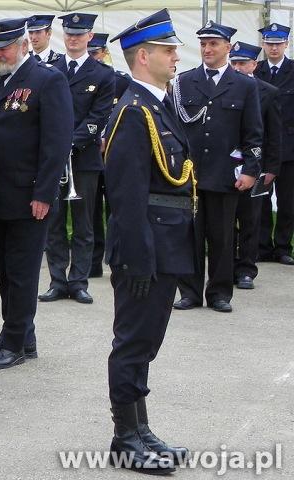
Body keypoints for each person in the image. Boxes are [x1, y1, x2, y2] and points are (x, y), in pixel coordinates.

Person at [105, 9, 194, 473]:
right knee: (133, 343)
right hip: (146, 251)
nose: (176, 56)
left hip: (167, 245)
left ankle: (140, 428)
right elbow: (127, 195)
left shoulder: (157, 104)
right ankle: (124, 437)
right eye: (167, 49)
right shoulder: (133, 111)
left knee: (147, 343)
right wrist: (140, 260)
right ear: (144, 56)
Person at [0, 18, 73, 368]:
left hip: (29, 195)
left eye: (3, 47)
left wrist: (44, 194)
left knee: (22, 273)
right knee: (5, 272)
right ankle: (22, 337)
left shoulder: (47, 79)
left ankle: (13, 343)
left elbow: (57, 142)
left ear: (23, 45)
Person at [172, 20, 262, 313]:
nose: (207, 49)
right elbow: (173, 129)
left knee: (223, 238)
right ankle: (189, 292)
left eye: (213, 44)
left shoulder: (245, 85)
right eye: (203, 44)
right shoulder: (183, 81)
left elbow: (253, 133)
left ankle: (220, 293)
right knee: (190, 236)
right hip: (191, 175)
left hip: (226, 175)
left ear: (228, 47)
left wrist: (250, 169)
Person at [38, 13, 114, 304]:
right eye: (69, 34)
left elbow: (98, 117)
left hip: (84, 159)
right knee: (53, 222)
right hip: (51, 159)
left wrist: (69, 142)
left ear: (89, 37)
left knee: (84, 224)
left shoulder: (103, 74)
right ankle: (58, 280)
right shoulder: (48, 69)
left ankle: (79, 281)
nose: (73, 39)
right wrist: (55, 145)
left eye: (79, 34)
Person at [230, 41, 282, 289]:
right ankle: (226, 265)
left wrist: (271, 168)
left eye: (242, 63)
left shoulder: (268, 92)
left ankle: (246, 269)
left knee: (251, 220)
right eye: (234, 62)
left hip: (255, 166)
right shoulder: (224, 87)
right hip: (227, 166)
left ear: (254, 65)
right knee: (225, 219)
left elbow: (274, 134)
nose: (238, 67)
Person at [88, 32, 132, 279]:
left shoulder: (120, 81)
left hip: (114, 152)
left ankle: (116, 256)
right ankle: (93, 263)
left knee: (115, 208)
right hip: (93, 152)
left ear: (104, 53)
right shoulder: (81, 79)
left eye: (96, 53)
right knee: (91, 210)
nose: (93, 57)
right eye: (90, 52)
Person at [255, 23, 294, 266]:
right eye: (269, 43)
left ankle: (282, 247)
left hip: (290, 146)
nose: (274, 47)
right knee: (260, 199)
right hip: (263, 145)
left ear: (286, 44)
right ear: (263, 45)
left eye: (278, 43)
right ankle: (262, 246)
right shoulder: (256, 70)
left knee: (288, 200)